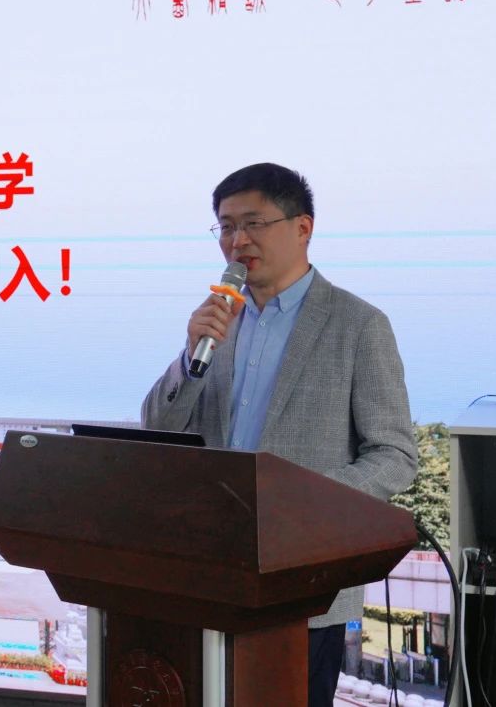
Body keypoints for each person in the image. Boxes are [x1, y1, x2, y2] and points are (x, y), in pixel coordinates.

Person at [140, 162, 417, 707]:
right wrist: (190, 357)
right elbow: (158, 427)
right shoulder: (217, 322)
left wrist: (305, 504)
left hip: (304, 584)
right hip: (209, 573)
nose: (237, 241)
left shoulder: (358, 324)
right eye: (225, 227)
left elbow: (394, 454)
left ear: (302, 227)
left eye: (253, 223)